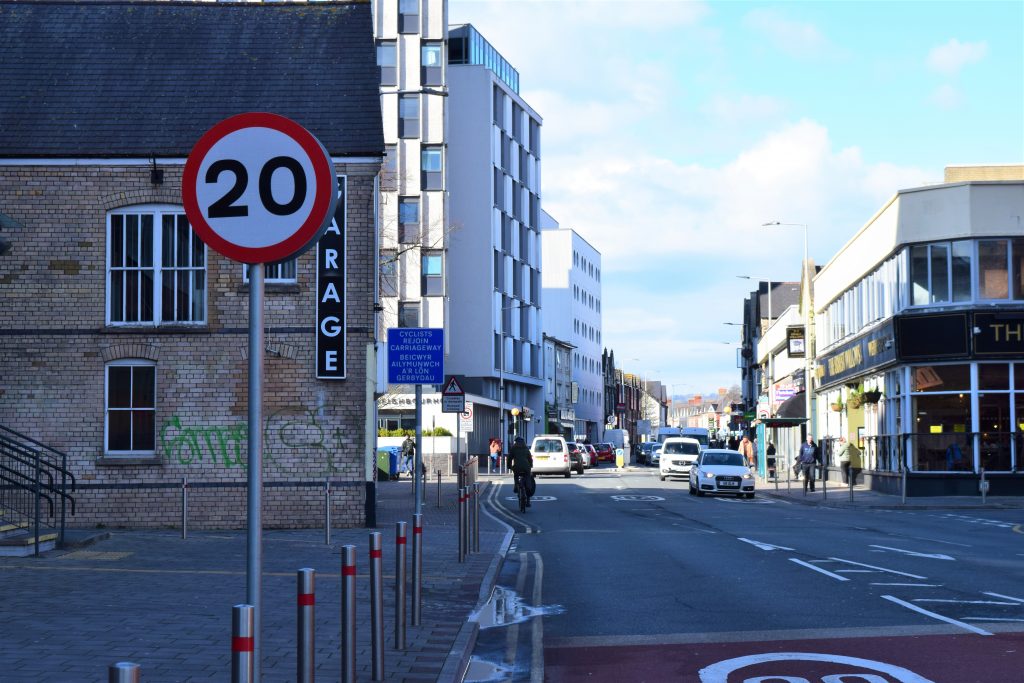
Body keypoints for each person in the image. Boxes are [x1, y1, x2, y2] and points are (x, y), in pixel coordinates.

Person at [506, 436, 534, 506]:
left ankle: (516, 486)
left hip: (517, 467)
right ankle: (528, 500)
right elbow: (530, 458)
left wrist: (509, 466)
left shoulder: (513, 449)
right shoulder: (526, 448)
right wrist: (530, 465)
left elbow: (509, 458)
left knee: (516, 476)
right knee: (528, 478)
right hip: (526, 467)